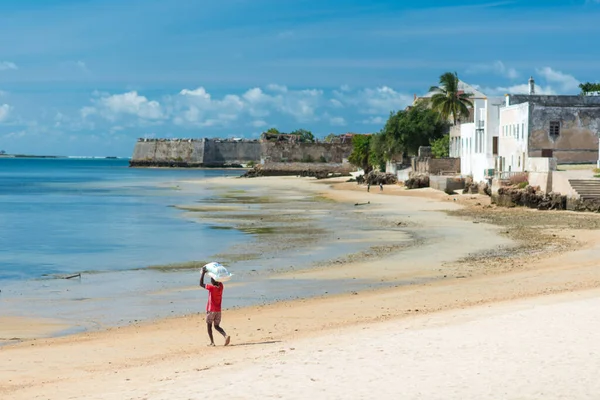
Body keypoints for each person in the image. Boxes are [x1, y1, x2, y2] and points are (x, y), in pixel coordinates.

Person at [200, 266, 231, 346]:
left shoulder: (212, 288)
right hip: (218, 310)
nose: (211, 280)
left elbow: (201, 284)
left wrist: (203, 273)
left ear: (214, 281)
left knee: (209, 326)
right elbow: (220, 279)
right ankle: (225, 335)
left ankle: (212, 342)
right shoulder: (221, 287)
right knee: (217, 326)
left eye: (212, 279)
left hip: (211, 310)